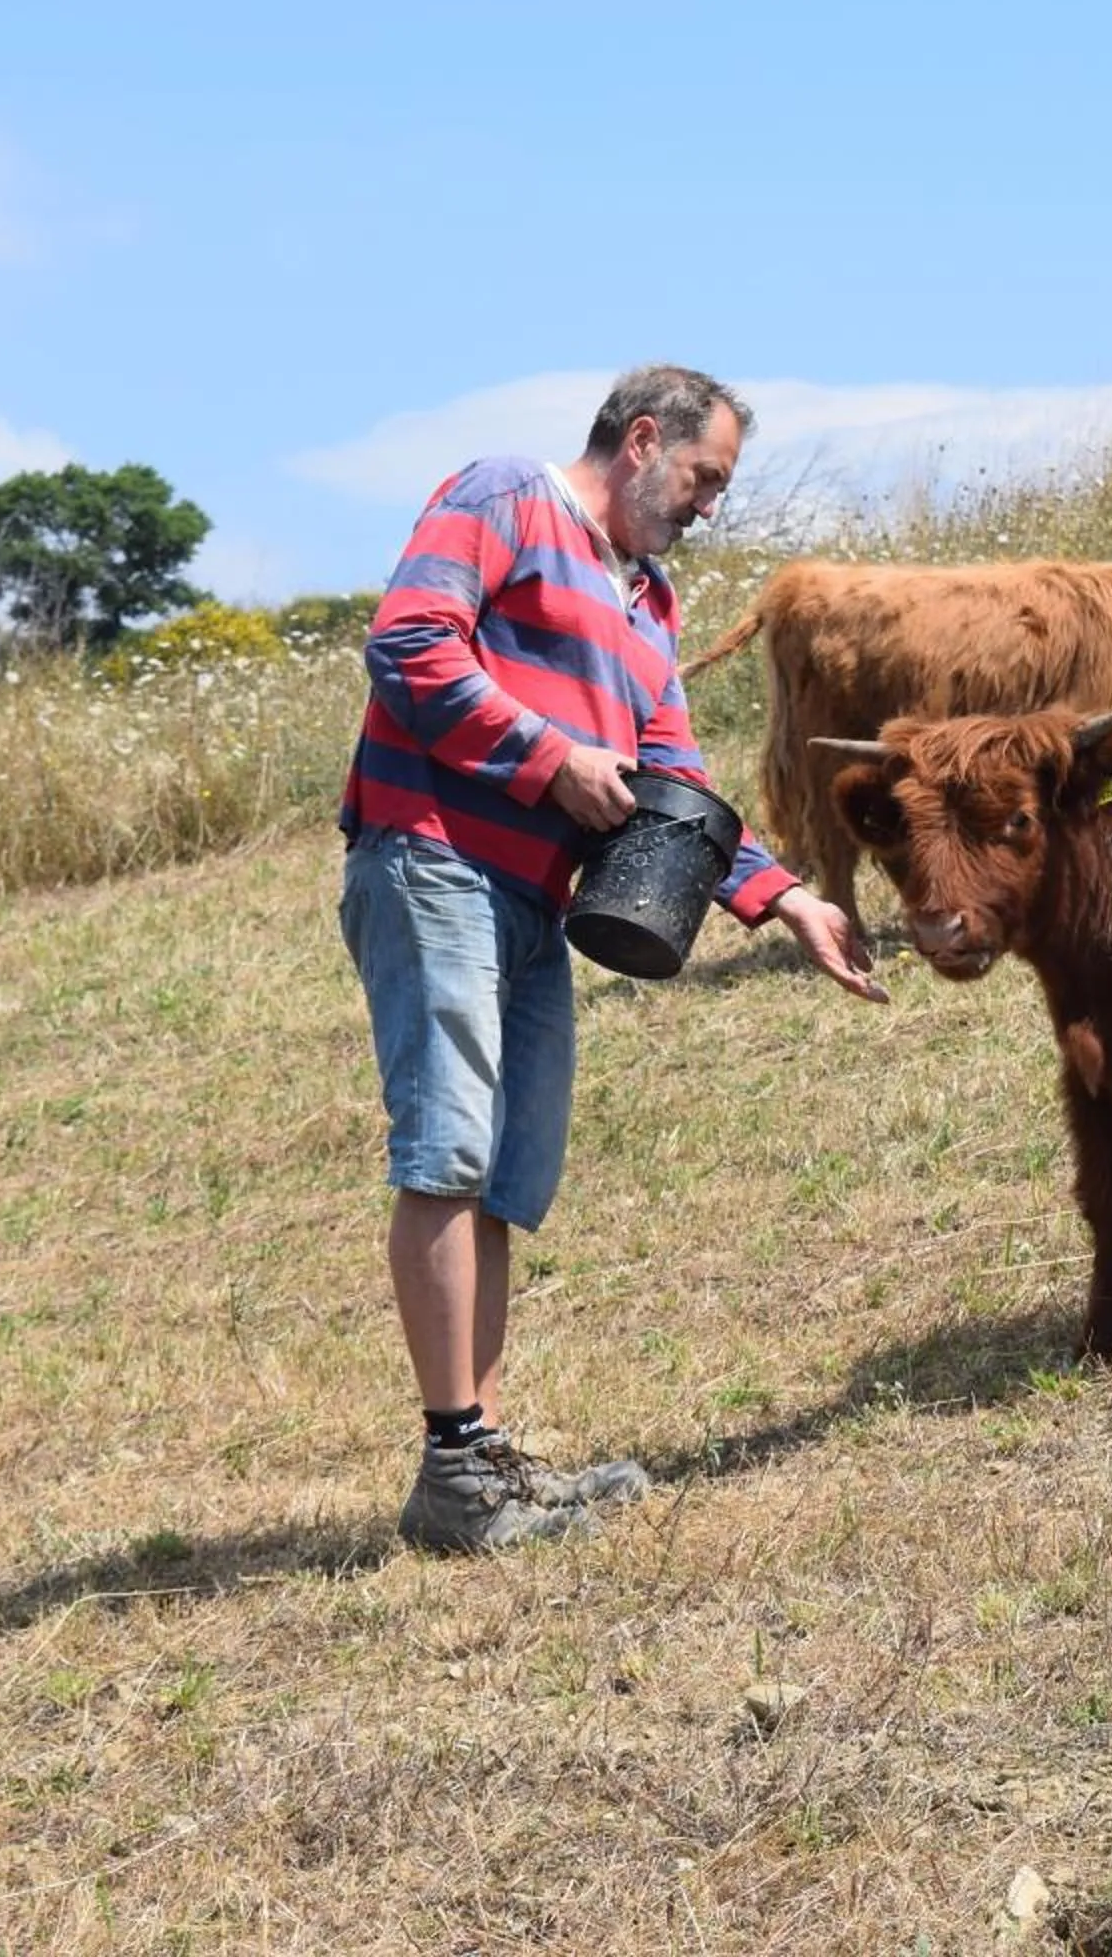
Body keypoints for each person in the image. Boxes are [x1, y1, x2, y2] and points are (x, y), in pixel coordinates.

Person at [338, 363, 888, 1554]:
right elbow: (412, 644)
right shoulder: (502, 497)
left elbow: (671, 786)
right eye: (704, 478)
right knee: (447, 1150)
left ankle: (476, 1460)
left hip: (535, 898)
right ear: (642, 441)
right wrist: (550, 759)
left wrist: (784, 897)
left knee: (502, 1176)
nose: (708, 505)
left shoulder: (650, 602)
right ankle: (457, 1468)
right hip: (436, 860)